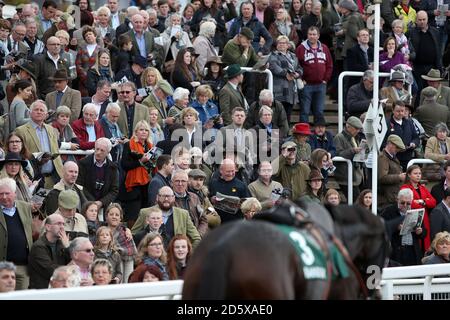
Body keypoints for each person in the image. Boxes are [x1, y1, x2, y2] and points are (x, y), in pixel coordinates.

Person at [15, 100, 64, 189]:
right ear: (30, 113)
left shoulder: (51, 129)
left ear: (46, 115)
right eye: (36, 109)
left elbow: (56, 151)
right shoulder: (20, 131)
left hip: (54, 177)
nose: (39, 112)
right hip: (34, 179)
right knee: (35, 203)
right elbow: (19, 155)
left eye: (42, 110)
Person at [131, 186, 202, 248]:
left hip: (174, 259)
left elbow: (196, 238)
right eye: (163, 196)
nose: (166, 199)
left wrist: (187, 253)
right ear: (157, 197)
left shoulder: (183, 214)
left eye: (169, 196)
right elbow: (132, 236)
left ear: (174, 198)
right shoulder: (145, 213)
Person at [0, 177, 33, 290]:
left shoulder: (25, 207)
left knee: (22, 296)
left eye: (7, 193)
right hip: (2, 266)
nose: (4, 197)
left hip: (23, 266)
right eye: (1, 194)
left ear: (14, 194)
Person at [296, 26, 333, 123]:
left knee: (319, 111)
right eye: (310, 34)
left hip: (321, 85)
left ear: (318, 36)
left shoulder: (324, 48)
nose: (312, 36)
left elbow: (329, 65)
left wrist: (326, 79)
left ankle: (318, 134)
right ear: (307, 35)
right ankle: (303, 136)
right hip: (306, 85)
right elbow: (296, 65)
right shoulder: (301, 48)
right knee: (305, 111)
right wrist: (300, 78)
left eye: (314, 34)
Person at [119, 120, 153, 225]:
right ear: (136, 132)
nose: (144, 132)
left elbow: (151, 166)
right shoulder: (129, 145)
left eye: (146, 130)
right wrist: (140, 162)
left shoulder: (150, 146)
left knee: (144, 214)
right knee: (132, 216)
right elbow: (124, 165)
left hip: (146, 184)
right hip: (132, 185)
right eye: (141, 130)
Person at [381, 188, 426, 266]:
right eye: (402, 203)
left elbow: (424, 232)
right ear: (398, 200)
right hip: (397, 251)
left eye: (408, 203)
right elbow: (382, 229)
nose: (405, 205)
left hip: (413, 250)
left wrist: (420, 232)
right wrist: (395, 227)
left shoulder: (415, 211)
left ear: (411, 202)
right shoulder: (389, 211)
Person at [77, 137, 119, 217]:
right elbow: (79, 186)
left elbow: (114, 190)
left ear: (108, 152)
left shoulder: (113, 167)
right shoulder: (83, 163)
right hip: (85, 204)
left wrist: (101, 202)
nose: (98, 152)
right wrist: (93, 203)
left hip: (104, 206)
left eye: (102, 150)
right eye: (97, 149)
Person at [28, 213, 70, 289]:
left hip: (59, 288)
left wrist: (67, 247)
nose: (62, 227)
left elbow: (72, 261)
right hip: (42, 291)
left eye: (63, 224)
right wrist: (70, 269)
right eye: (58, 224)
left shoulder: (61, 244)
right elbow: (50, 270)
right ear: (48, 227)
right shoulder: (38, 247)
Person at [401, 165, 436, 251]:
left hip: (425, 219)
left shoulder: (422, 188)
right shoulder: (405, 187)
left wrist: (421, 201)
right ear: (409, 175)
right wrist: (425, 202)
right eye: (415, 173)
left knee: (425, 245)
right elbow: (410, 203)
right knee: (416, 246)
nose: (418, 175)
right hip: (412, 219)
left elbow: (433, 202)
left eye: (419, 173)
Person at [268, 35, 302, 122]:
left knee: (287, 116)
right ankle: (275, 136)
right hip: (279, 90)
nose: (282, 45)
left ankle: (286, 135)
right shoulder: (273, 55)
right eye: (279, 43)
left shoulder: (293, 56)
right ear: (276, 45)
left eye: (284, 43)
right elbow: (274, 67)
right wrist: (286, 74)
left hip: (291, 91)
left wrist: (297, 74)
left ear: (288, 45)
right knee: (277, 117)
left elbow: (299, 68)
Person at [333, 116, 365, 202]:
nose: (358, 131)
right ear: (348, 126)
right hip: (346, 177)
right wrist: (353, 150)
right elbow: (338, 155)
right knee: (357, 201)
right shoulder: (339, 137)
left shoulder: (355, 137)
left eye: (359, 129)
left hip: (356, 176)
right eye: (356, 128)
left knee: (356, 200)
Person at [104, 203, 137, 283]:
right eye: (111, 214)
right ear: (106, 217)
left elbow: (131, 253)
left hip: (125, 266)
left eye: (117, 215)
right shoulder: (102, 231)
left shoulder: (125, 234)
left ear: (120, 218)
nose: (114, 217)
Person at [172, 170, 208, 237]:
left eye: (183, 181)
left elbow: (203, 220)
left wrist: (198, 235)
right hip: (178, 241)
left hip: (196, 237)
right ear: (172, 183)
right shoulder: (167, 199)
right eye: (177, 181)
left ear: (187, 182)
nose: (180, 184)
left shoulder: (194, 197)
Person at [385, 100, 419, 171]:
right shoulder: (386, 123)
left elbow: (416, 138)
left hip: (407, 158)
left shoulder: (409, 122)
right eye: (398, 111)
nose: (400, 113)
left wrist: (413, 143)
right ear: (393, 110)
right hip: (392, 159)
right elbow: (383, 142)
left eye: (402, 111)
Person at [378, 134, 406, 209]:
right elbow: (382, 178)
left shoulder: (391, 157)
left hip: (392, 197)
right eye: (397, 147)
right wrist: (399, 177)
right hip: (387, 199)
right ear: (390, 144)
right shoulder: (383, 157)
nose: (398, 150)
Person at [75, 26, 101, 97]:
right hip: (84, 83)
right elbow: (78, 65)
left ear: (95, 36)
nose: (88, 36)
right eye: (86, 35)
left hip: (98, 81)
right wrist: (86, 78)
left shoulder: (101, 49)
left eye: (90, 34)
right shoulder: (81, 50)